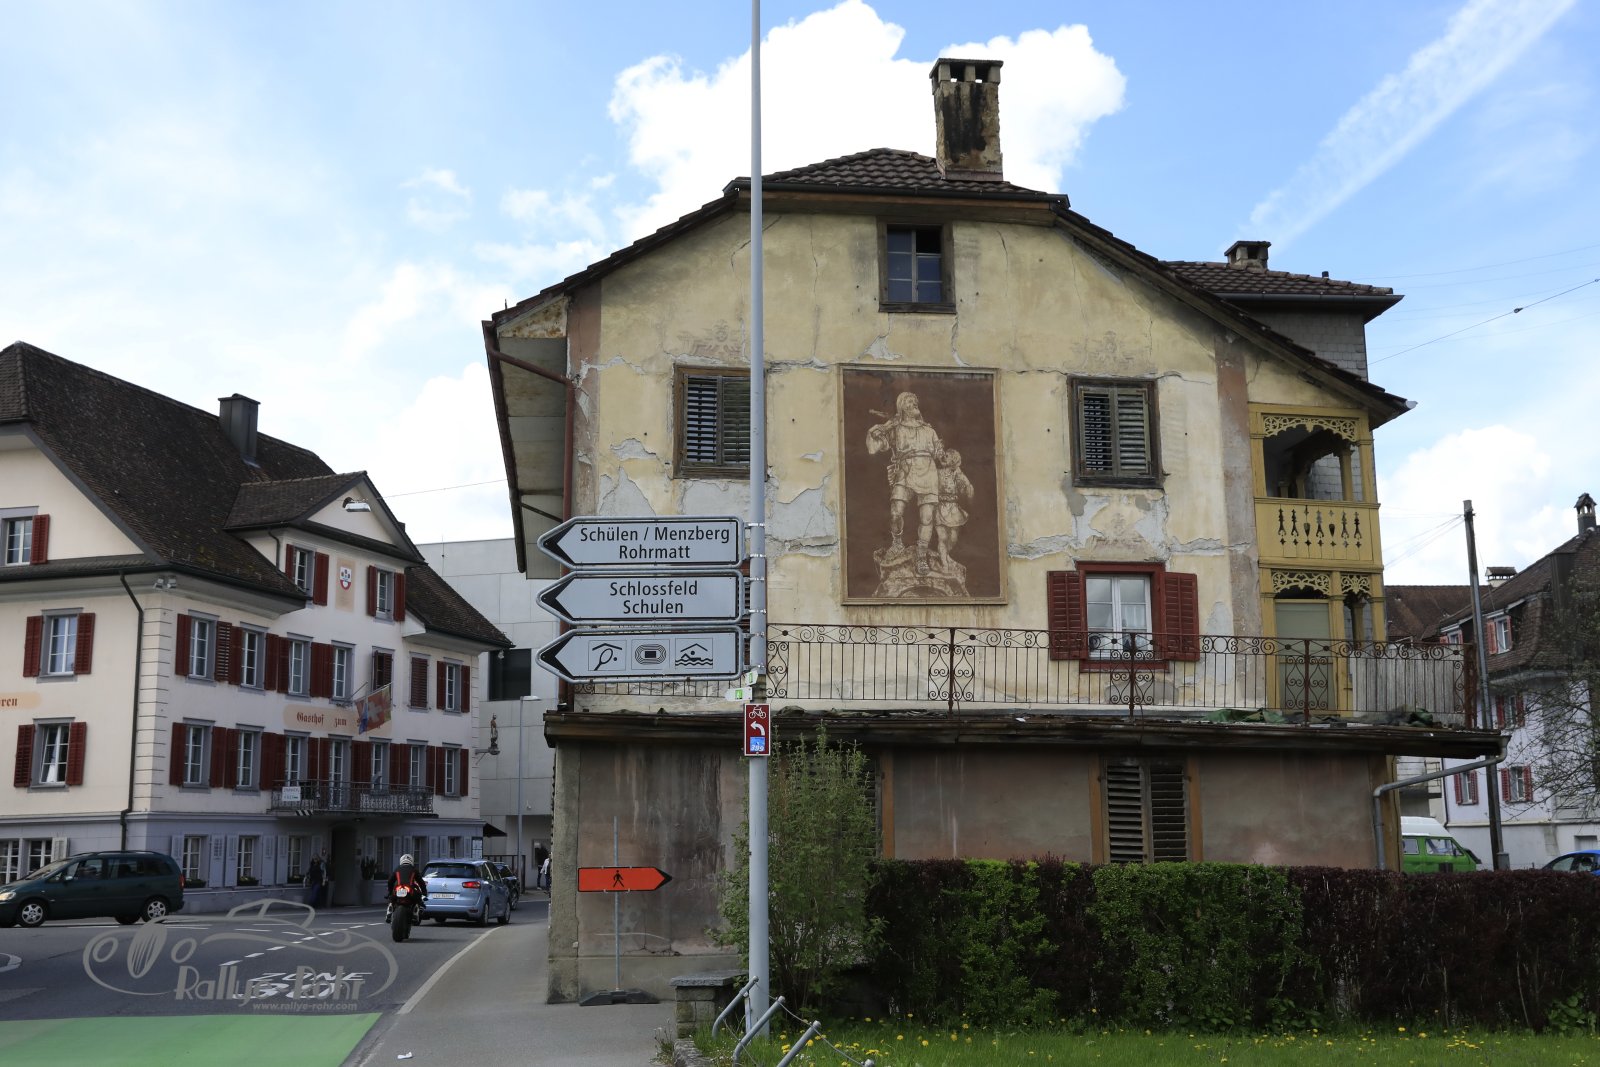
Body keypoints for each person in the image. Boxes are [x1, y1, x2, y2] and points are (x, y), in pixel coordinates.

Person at [866, 391, 945, 575]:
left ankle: (921, 556)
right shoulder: (896, 428)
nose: (913, 404)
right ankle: (897, 543)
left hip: (928, 473)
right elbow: (874, 448)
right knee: (896, 513)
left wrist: (942, 453)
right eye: (909, 402)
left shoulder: (929, 430)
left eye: (915, 402)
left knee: (927, 518)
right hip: (905, 471)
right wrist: (879, 430)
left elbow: (940, 455)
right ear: (902, 407)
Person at [934, 449, 973, 571]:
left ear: (953, 460)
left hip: (953, 509)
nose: (943, 457)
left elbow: (966, 487)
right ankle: (944, 563)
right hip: (939, 507)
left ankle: (945, 554)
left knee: (953, 538)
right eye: (944, 455)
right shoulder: (936, 472)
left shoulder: (957, 474)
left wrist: (968, 490)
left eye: (947, 456)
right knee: (942, 537)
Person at [386, 853, 426, 921]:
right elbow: (421, 882)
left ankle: (390, 909)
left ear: (401, 861)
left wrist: (390, 892)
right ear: (411, 861)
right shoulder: (414, 870)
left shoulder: (397, 869)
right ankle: (415, 911)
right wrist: (424, 893)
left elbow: (390, 881)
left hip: (398, 888)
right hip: (410, 889)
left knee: (392, 898)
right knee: (418, 898)